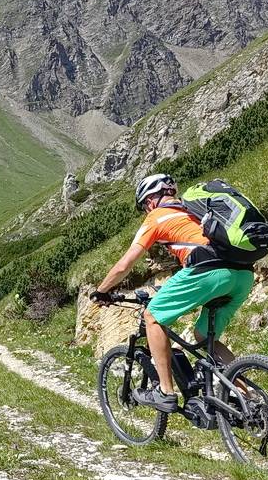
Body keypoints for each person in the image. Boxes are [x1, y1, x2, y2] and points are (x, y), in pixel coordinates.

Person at [89, 174, 254, 413]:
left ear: (153, 199)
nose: (146, 209)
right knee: (205, 337)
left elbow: (125, 265)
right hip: (243, 275)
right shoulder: (196, 211)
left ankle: (165, 392)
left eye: (145, 203)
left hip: (208, 272)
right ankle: (249, 399)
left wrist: (101, 291)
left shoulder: (157, 217)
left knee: (153, 317)